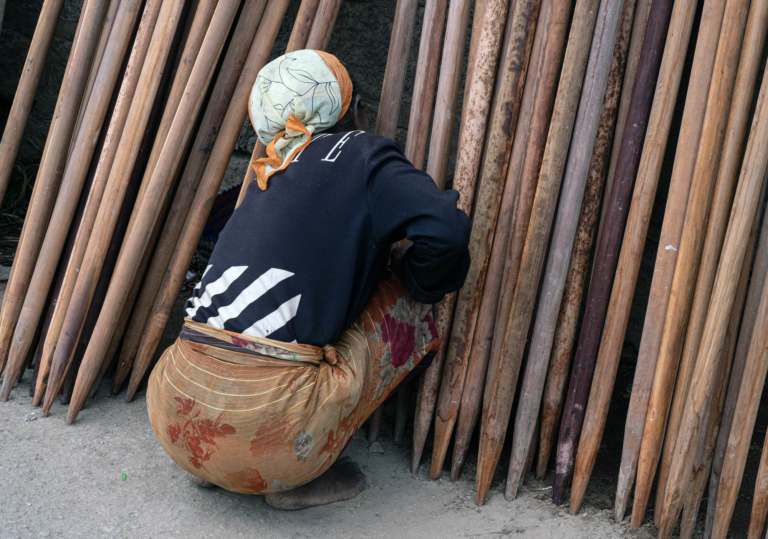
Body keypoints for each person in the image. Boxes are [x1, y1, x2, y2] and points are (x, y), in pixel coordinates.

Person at [146, 50, 471, 511]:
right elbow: (447, 232)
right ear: (356, 111)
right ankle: (292, 475)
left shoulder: (267, 174)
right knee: (405, 295)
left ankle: (215, 465)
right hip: (271, 433)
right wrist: (417, 279)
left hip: (173, 410)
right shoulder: (365, 152)